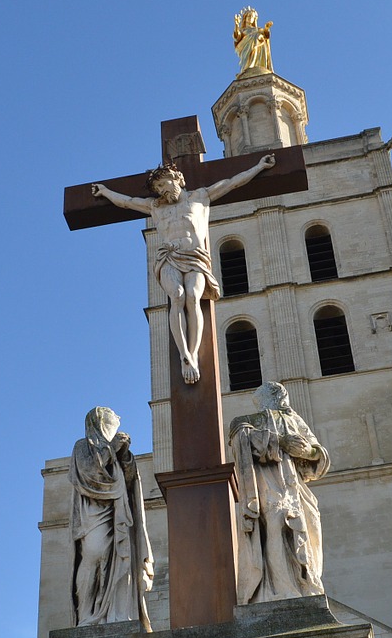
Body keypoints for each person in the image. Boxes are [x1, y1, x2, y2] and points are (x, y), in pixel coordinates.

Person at [92, 154, 275, 384]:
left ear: (177, 178)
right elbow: (127, 201)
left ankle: (194, 352)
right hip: (168, 257)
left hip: (196, 257)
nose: (161, 190)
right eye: (157, 187)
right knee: (177, 296)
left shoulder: (200, 197)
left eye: (163, 183)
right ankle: (184, 355)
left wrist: (258, 167)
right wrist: (106, 192)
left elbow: (232, 182)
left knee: (192, 297)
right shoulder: (155, 206)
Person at [229, 382, 330, 604]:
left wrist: (308, 451)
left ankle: (306, 584)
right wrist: (280, 442)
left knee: (306, 530)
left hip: (294, 486)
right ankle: (283, 590)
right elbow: (240, 435)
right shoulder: (248, 421)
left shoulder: (293, 419)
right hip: (268, 483)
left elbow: (316, 451)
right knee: (276, 526)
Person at [69, 407, 154, 630]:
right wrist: (110, 450)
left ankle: (116, 613)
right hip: (92, 513)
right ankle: (86, 614)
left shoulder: (113, 448)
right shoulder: (82, 446)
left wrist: (124, 456)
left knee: (118, 560)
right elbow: (88, 474)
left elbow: (128, 482)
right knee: (93, 555)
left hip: (117, 513)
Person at [233, 7, 273, 77]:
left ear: (254, 19)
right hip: (246, 48)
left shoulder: (258, 30)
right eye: (248, 16)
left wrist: (266, 28)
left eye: (252, 16)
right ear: (245, 18)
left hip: (259, 49)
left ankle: (259, 65)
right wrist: (236, 25)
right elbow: (237, 37)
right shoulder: (243, 30)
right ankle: (246, 68)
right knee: (256, 36)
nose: (250, 18)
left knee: (258, 36)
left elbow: (266, 36)